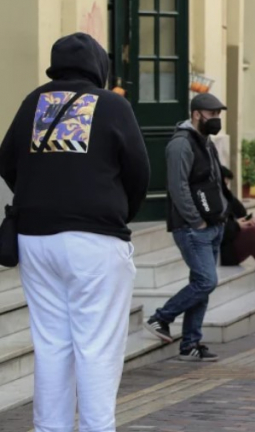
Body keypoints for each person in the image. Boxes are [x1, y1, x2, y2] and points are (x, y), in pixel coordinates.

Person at [0, 33, 150, 432]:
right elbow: (139, 173)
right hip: (95, 241)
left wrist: (42, 198)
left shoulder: (33, 102)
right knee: (97, 346)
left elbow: (6, 161)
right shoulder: (114, 106)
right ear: (98, 66)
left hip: (36, 239)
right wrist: (118, 212)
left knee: (52, 344)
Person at [144, 92, 229, 361]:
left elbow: (215, 179)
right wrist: (197, 220)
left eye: (218, 115)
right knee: (206, 281)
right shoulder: (181, 144)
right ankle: (160, 318)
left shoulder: (206, 142)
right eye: (212, 115)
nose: (216, 120)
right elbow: (178, 186)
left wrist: (226, 212)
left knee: (201, 285)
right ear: (196, 114)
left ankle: (191, 344)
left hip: (214, 224)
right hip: (193, 227)